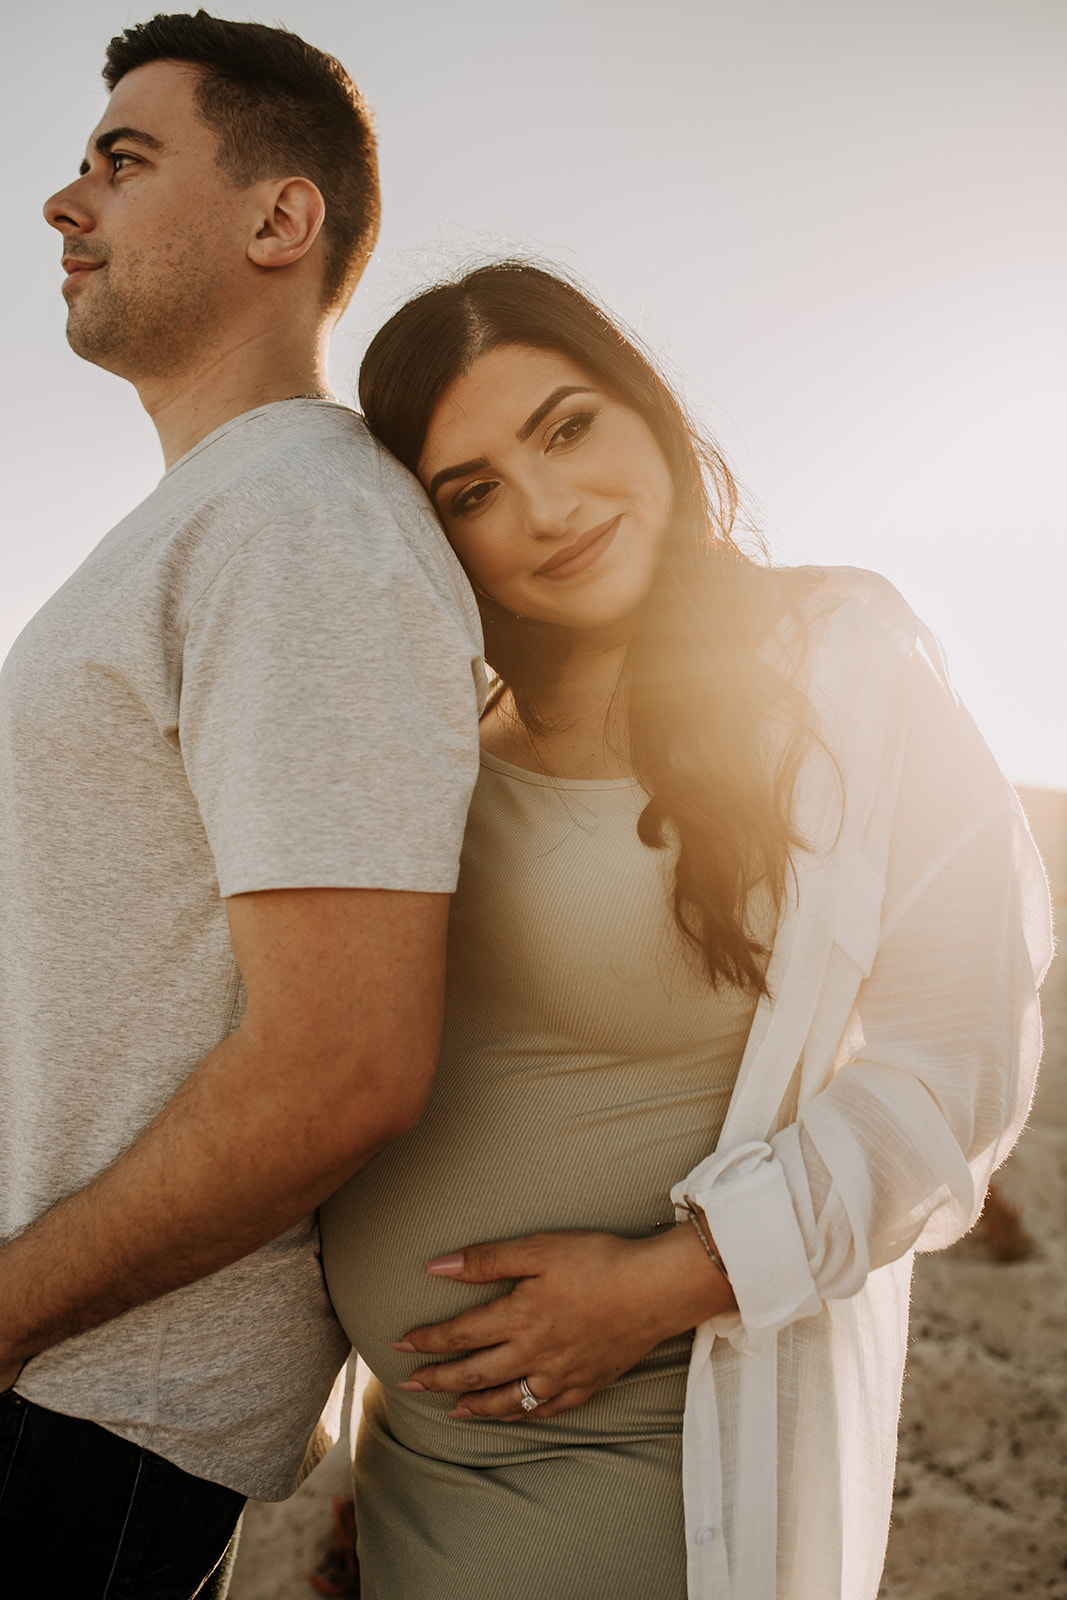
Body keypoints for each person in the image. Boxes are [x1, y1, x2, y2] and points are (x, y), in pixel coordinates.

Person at [320, 261, 1052, 1600]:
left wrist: (663, 1283)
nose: (546, 509)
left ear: (646, 411)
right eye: (470, 491)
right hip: (410, 1451)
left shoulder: (836, 668)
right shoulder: (448, 733)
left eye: (566, 427)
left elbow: (956, 1070)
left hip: (640, 1437)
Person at [0, 14, 482, 1598]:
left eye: (122, 164)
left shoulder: (302, 526)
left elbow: (339, 1063)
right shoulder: (211, 516)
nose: (65, 205)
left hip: (78, 1417)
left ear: (283, 219)